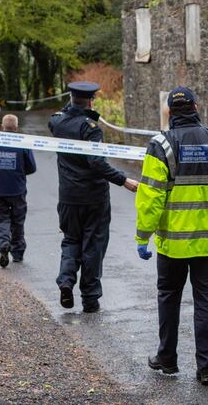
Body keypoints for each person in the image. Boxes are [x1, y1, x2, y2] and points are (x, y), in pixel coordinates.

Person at [135, 86, 208, 386]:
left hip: (172, 242)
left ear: (170, 113)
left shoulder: (161, 145)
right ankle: (206, 367)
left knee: (169, 298)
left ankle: (167, 360)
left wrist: (142, 236)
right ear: (197, 107)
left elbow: (151, 198)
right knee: (206, 300)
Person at [49, 81, 139, 313]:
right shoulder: (91, 128)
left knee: (71, 240)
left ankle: (66, 281)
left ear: (70, 98)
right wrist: (124, 180)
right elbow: (96, 162)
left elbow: (55, 117)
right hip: (94, 198)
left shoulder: (57, 122)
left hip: (68, 196)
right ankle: (90, 298)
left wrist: (71, 105)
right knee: (93, 246)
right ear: (91, 100)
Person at [0, 114, 37, 268]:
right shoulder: (23, 143)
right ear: (16, 128)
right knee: (18, 221)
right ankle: (17, 253)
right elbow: (32, 167)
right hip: (17, 190)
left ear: (2, 126)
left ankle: (3, 242)